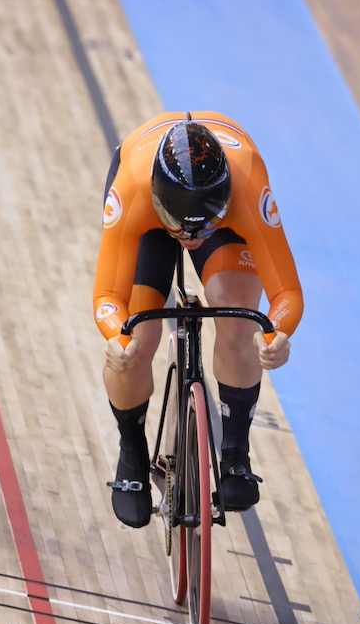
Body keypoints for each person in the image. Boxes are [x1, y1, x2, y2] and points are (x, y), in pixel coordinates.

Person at [93, 111, 303, 528]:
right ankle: (132, 455)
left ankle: (236, 456)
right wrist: (116, 338)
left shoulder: (249, 189)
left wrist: (278, 334)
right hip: (148, 217)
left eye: (201, 227)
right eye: (180, 229)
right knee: (136, 340)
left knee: (240, 321)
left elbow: (287, 294)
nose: (190, 239)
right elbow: (106, 297)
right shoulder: (132, 190)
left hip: (223, 214)